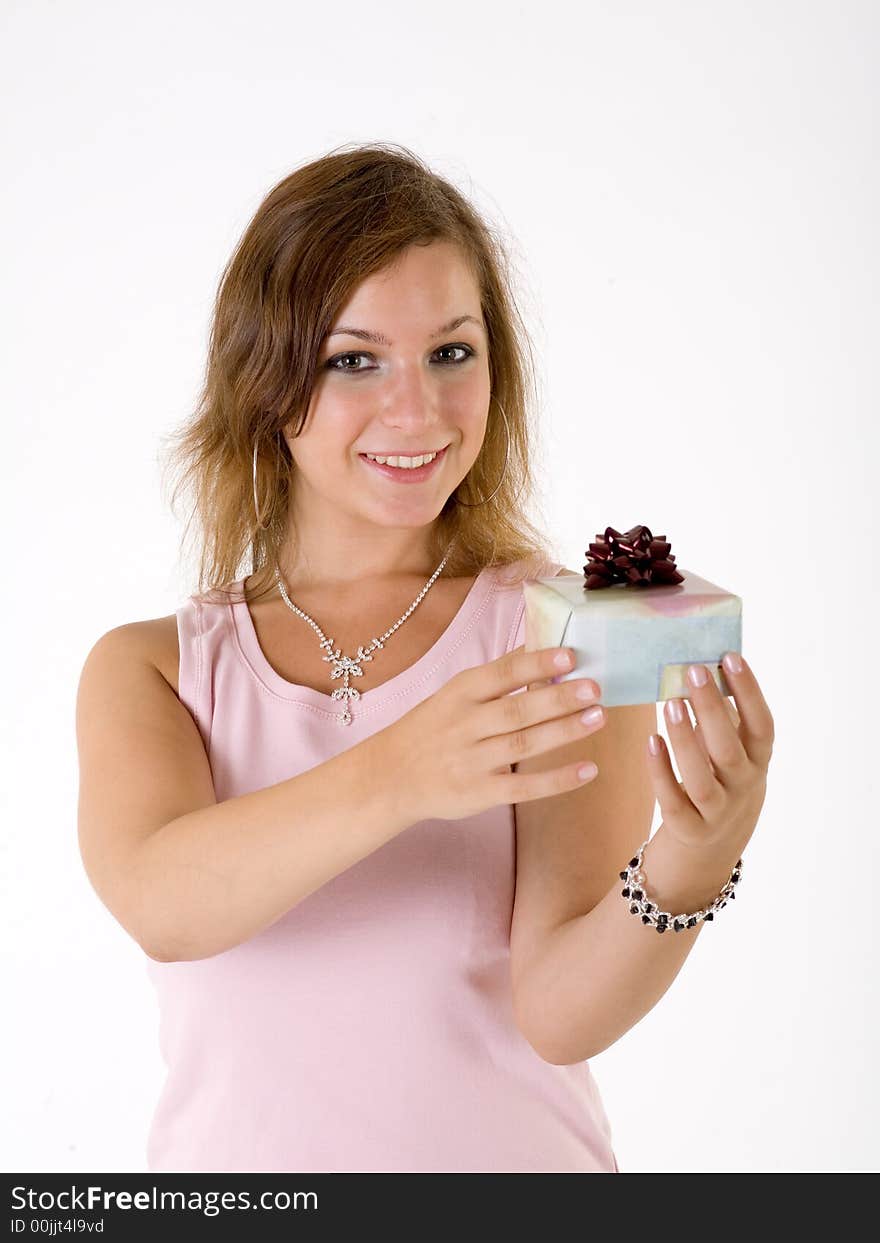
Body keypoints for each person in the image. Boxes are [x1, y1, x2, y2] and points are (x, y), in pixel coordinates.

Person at [75, 142, 774, 1174]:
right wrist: (404, 771)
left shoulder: (560, 632)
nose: (418, 412)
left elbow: (558, 1012)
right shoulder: (152, 670)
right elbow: (163, 903)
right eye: (354, 358)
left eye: (451, 352)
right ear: (266, 380)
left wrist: (695, 856)